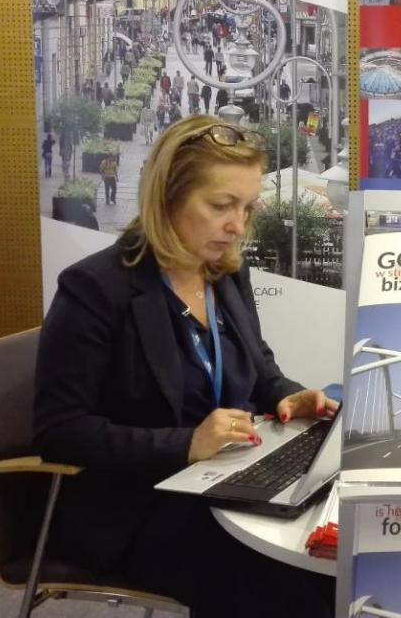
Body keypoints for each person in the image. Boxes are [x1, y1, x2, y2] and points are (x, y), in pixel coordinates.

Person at [34, 116, 338, 616]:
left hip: (231, 482)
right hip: (141, 507)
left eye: (247, 208)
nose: (237, 226)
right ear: (168, 197)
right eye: (221, 206)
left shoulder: (225, 273)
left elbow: (259, 367)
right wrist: (184, 444)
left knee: (333, 565)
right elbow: (59, 430)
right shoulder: (94, 289)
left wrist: (287, 395)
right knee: (291, 589)